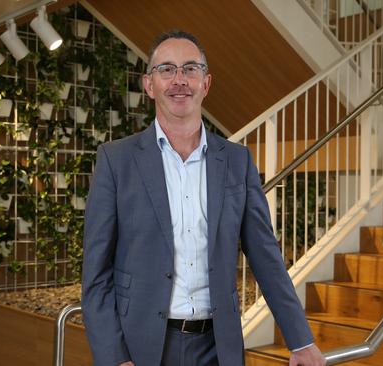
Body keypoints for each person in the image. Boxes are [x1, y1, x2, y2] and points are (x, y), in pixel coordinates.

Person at [82, 30, 325, 366]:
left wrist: (300, 340)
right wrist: (114, 357)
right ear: (149, 85)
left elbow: (266, 256)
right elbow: (96, 274)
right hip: (142, 348)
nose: (179, 80)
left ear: (206, 83)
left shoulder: (237, 161)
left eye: (190, 69)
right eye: (166, 69)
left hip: (218, 348)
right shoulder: (116, 160)